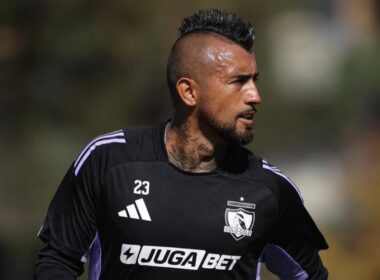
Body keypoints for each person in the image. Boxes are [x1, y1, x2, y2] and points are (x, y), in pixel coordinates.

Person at [34, 9, 329, 280]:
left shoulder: (269, 189)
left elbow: (312, 276)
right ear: (188, 92)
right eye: (239, 81)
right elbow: (57, 262)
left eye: (255, 80)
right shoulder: (109, 160)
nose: (255, 95)